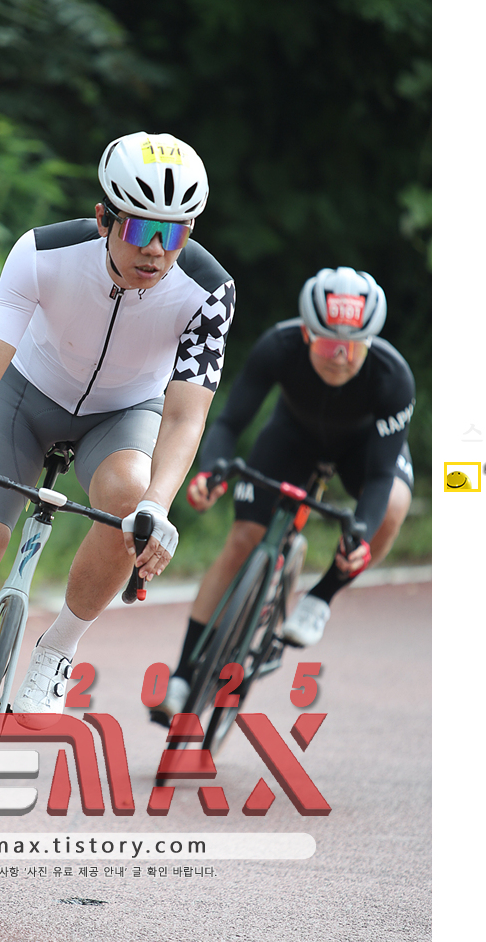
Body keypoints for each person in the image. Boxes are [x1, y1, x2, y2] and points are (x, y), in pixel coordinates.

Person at [0, 132, 236, 831]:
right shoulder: (43, 252)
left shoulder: (208, 290)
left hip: (123, 415)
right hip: (25, 401)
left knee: (129, 501)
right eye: (141, 230)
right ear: (105, 217)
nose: (156, 251)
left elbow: (186, 417)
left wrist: (158, 504)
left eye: (174, 234)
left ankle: (57, 650)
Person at [153, 266, 414, 725]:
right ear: (307, 333)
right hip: (292, 439)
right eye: (328, 344)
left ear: (369, 342)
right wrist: (212, 472)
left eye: (352, 346)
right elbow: (229, 422)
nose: (340, 357)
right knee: (242, 540)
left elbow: (377, 478)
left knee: (391, 503)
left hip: (364, 451)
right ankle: (183, 673)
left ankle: (320, 598)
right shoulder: (279, 345)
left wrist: (359, 536)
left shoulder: (393, 377)